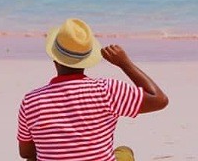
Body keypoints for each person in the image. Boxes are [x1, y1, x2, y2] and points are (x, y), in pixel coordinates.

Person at [17, 18, 169, 161]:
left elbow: (26, 153)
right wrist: (125, 63)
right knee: (124, 153)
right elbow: (159, 100)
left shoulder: (31, 101)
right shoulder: (106, 90)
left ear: (55, 58)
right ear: (87, 58)